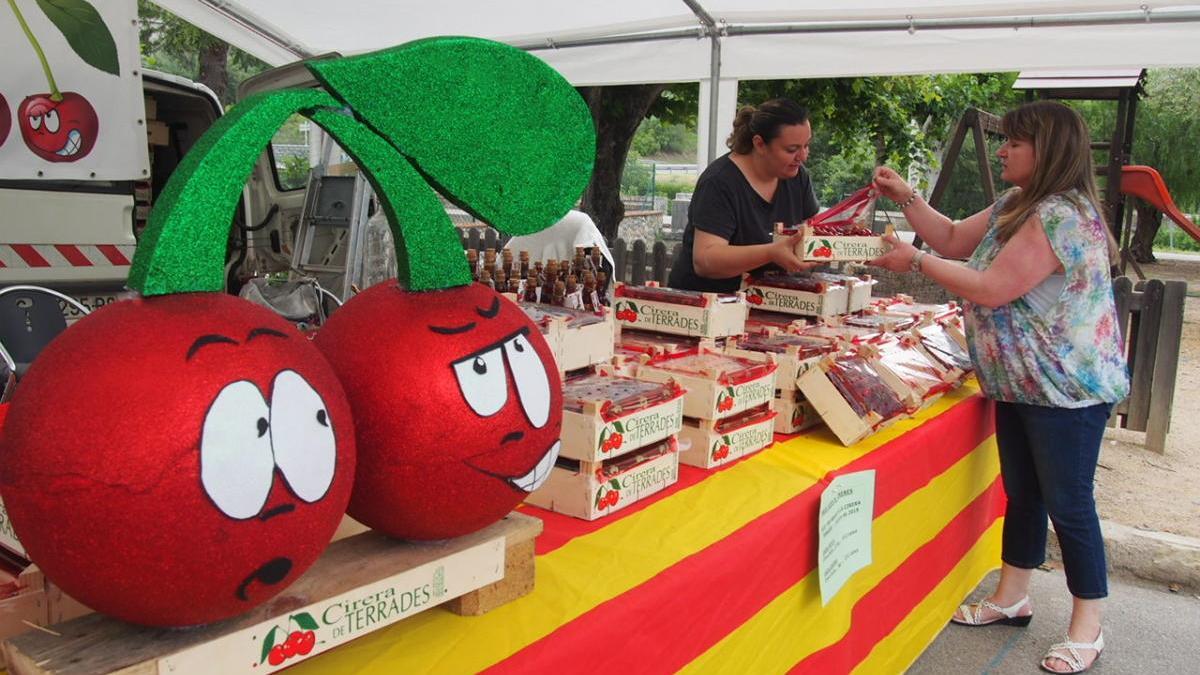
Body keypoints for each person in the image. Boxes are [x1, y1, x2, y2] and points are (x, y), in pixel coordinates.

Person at [868, 101, 1129, 674]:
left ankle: (1089, 626)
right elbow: (957, 239)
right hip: (1022, 384)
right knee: (1025, 492)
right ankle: (1012, 596)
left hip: (1067, 390)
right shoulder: (1020, 202)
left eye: (1015, 142)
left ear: (1048, 150)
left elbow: (990, 286)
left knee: (1070, 504)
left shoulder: (1061, 214)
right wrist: (907, 198)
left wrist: (915, 262)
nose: (1004, 151)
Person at [667, 98, 820, 293]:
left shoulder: (798, 177)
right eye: (792, 149)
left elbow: (812, 232)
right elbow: (705, 260)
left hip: (766, 303)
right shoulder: (719, 182)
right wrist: (770, 253)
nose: (803, 156)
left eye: (806, 145)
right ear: (760, 144)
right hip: (704, 304)